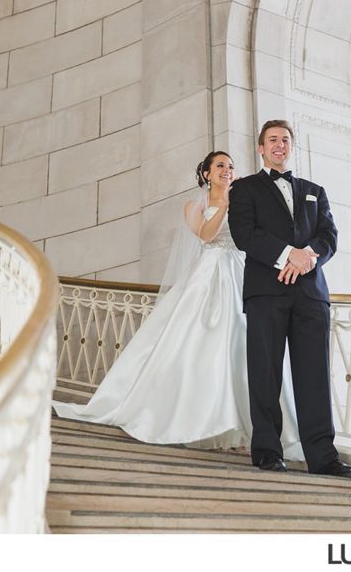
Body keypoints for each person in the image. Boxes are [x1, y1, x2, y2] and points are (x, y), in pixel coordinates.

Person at [54, 152, 303, 459]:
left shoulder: (244, 200)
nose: (228, 170)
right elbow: (207, 235)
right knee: (205, 345)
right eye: (221, 166)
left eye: (231, 166)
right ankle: (205, 421)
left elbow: (254, 237)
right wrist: (224, 204)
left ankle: (248, 428)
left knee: (244, 345)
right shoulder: (194, 205)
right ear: (207, 174)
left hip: (242, 272)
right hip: (210, 275)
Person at [227, 119, 351, 478]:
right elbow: (244, 234)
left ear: (292, 147)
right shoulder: (244, 189)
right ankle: (267, 452)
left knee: (315, 376)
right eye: (272, 140)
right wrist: (289, 253)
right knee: (265, 373)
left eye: (285, 140)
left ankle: (323, 458)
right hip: (266, 292)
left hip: (310, 295)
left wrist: (306, 258)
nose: (279, 145)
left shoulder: (314, 189)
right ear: (260, 148)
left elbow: (328, 236)